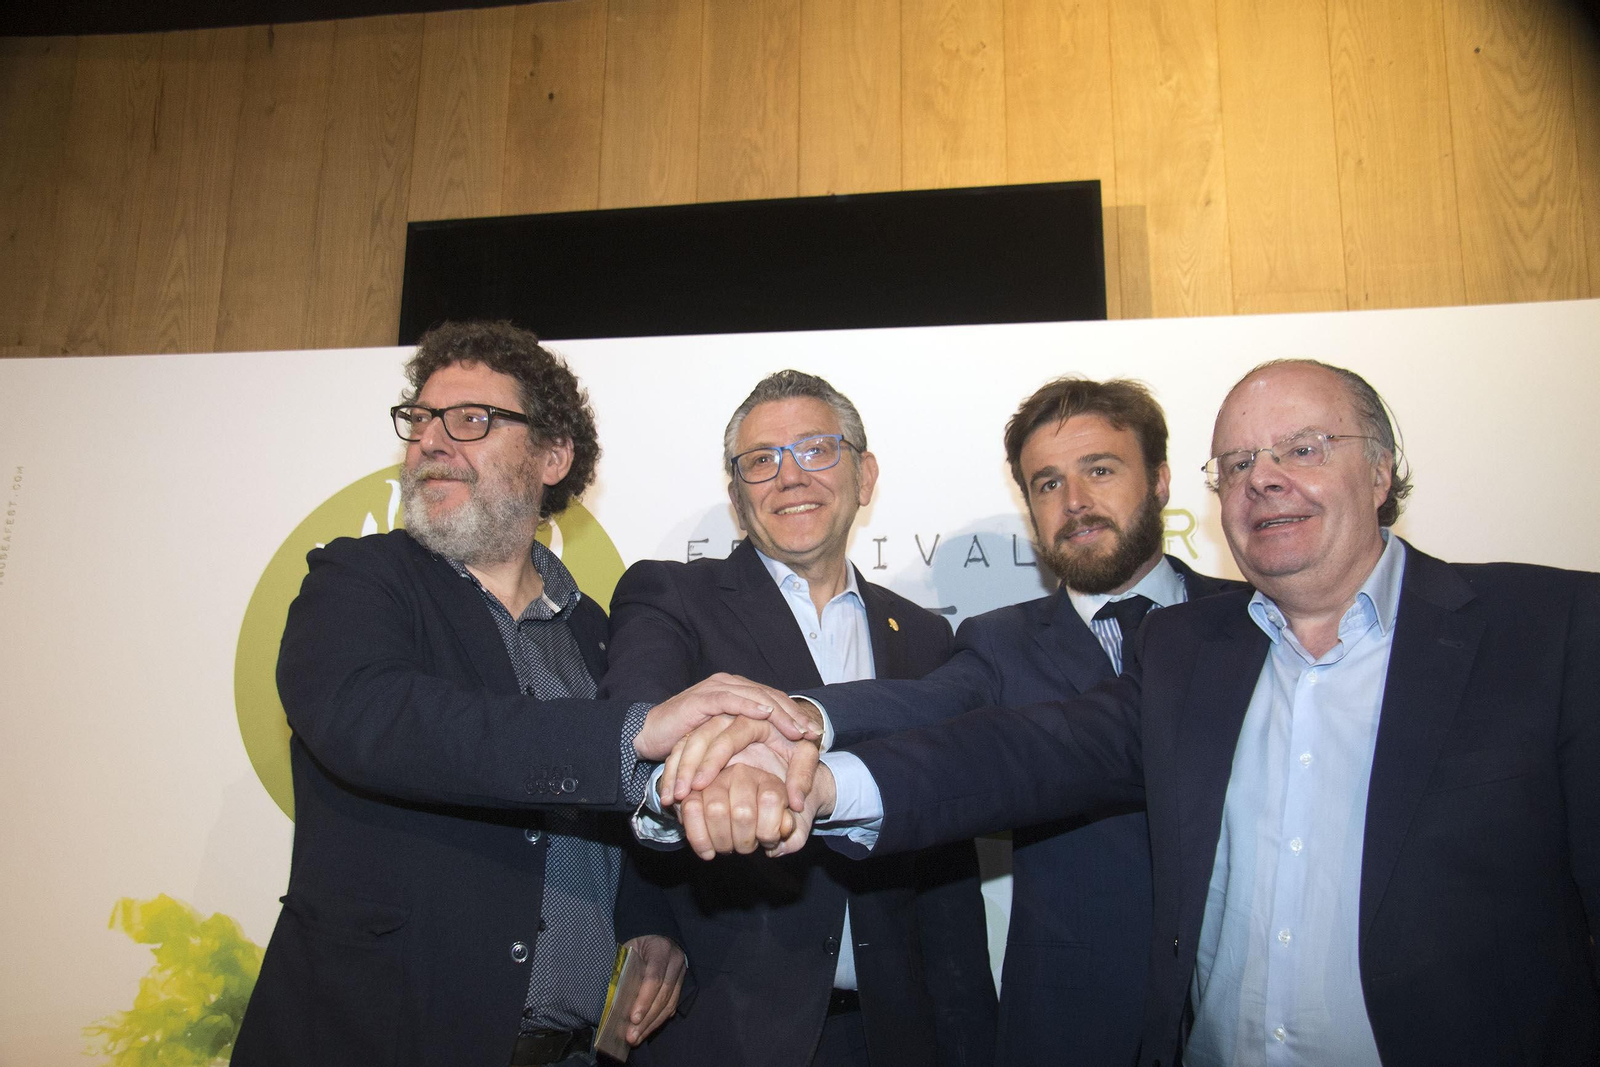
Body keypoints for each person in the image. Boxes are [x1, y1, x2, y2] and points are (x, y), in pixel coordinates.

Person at [679, 359, 1600, 1066]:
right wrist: (809, 756)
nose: (1265, 478)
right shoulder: (1193, 660)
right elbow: (1006, 748)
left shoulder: (1552, 631)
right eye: (1239, 461)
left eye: (1302, 449)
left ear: (1383, 468)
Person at [232, 322, 817, 1067]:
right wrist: (627, 734)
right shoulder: (356, 580)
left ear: (551, 455)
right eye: (421, 420)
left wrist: (650, 921)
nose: (432, 442)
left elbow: (614, 819)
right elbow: (380, 721)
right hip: (370, 1036)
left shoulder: (595, 630)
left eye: (471, 419)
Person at [793, 378, 1239, 1066]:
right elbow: (927, 709)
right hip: (1072, 1029)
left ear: (1159, 479)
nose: (1075, 502)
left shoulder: (1249, 623)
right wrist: (805, 715)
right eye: (1047, 483)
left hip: (1252, 1017)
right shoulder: (999, 642)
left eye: (1100, 470)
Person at [602, 370, 997, 1067]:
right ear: (736, 495)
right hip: (724, 1032)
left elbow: (947, 870)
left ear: (864, 474)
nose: (789, 476)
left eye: (816, 449)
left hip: (895, 1037)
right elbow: (635, 738)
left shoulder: (928, 637)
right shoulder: (670, 596)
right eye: (761, 460)